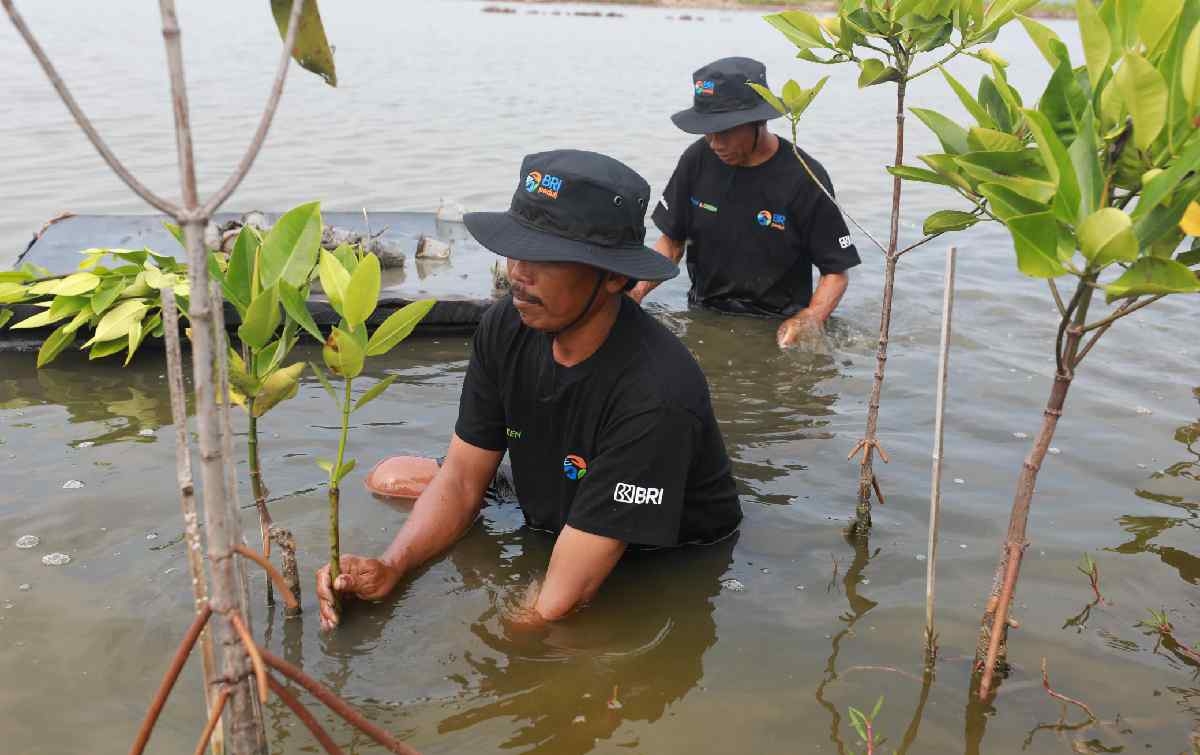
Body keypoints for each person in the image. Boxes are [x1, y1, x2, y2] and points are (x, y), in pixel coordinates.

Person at [317, 149, 743, 630]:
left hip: (646, 547)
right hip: (554, 493)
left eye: (546, 258)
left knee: (534, 628)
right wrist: (392, 568)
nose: (518, 273)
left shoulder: (657, 393)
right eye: (516, 248)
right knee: (387, 478)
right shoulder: (506, 325)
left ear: (615, 276)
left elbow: (558, 599)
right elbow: (460, 480)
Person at [629, 56, 861, 349]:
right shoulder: (697, 159)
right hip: (705, 313)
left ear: (758, 121)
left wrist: (811, 317)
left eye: (724, 131)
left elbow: (836, 272)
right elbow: (672, 243)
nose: (715, 143)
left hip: (775, 322)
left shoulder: (805, 177)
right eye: (708, 130)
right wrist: (635, 292)